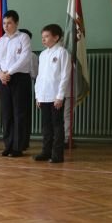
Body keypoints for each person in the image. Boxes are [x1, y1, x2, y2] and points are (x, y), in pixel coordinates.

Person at [0, 10, 32, 157]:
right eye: (4, 23)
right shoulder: (1, 41)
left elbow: (25, 58)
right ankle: (8, 145)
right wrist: (0, 73)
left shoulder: (23, 37)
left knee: (19, 113)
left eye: (9, 23)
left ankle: (17, 147)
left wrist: (9, 72)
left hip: (19, 78)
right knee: (6, 113)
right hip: (3, 79)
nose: (6, 26)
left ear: (16, 23)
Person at [33, 24, 71, 164]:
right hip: (44, 96)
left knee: (57, 126)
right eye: (42, 37)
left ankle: (57, 154)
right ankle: (46, 151)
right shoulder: (43, 55)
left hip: (56, 97)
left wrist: (60, 96)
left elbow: (65, 76)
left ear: (56, 37)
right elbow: (40, 77)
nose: (43, 39)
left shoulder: (62, 53)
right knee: (46, 126)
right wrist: (38, 95)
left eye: (47, 36)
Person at [19, 28, 39, 150]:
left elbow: (34, 74)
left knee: (23, 114)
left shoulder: (31, 56)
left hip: (24, 85)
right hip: (10, 85)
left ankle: (23, 142)